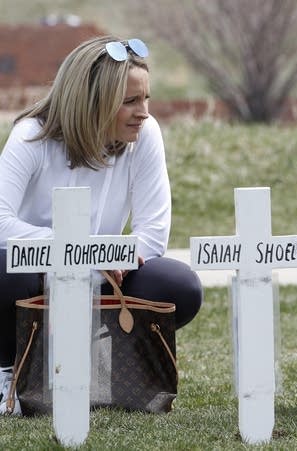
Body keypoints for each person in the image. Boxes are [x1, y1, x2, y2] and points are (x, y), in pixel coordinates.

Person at [0, 36, 203, 415]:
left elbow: (152, 233)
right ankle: (8, 373)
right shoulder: (30, 136)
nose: (143, 112)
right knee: (4, 267)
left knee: (180, 285)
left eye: (145, 99)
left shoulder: (146, 134)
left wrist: (115, 257)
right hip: (35, 278)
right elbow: (0, 224)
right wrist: (85, 249)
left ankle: (119, 369)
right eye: (129, 101)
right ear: (89, 101)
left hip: (107, 279)